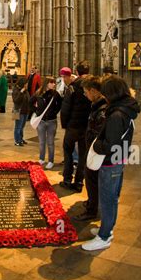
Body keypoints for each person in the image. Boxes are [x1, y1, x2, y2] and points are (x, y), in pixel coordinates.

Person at [81, 76, 139, 251]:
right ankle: (107, 229)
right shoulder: (125, 109)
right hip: (118, 159)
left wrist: (96, 143)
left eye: (106, 93)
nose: (104, 97)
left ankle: (104, 237)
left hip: (110, 162)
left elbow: (110, 145)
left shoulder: (116, 114)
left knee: (107, 199)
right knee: (111, 198)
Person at [75, 76, 108, 221]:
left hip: (96, 152)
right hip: (93, 150)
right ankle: (91, 203)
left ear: (94, 91)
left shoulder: (102, 109)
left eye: (86, 92)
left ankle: (91, 210)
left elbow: (99, 134)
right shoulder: (97, 105)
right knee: (90, 179)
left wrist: (92, 147)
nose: (85, 95)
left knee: (92, 180)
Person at [60, 60, 91, 192]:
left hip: (73, 126)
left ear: (77, 72)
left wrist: (65, 124)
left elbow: (65, 108)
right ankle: (79, 182)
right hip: (87, 126)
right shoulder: (94, 85)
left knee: (68, 152)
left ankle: (67, 179)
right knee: (83, 155)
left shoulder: (73, 86)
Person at [31, 76, 62, 169]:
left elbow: (60, 104)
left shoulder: (55, 94)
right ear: (46, 83)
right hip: (41, 121)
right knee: (41, 141)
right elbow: (30, 102)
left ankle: (51, 160)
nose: (54, 84)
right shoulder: (38, 93)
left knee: (50, 142)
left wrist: (54, 112)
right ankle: (41, 158)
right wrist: (36, 111)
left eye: (54, 83)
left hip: (52, 121)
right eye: (51, 82)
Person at [12, 76, 30, 146]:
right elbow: (16, 100)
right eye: (26, 84)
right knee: (18, 127)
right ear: (23, 84)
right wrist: (21, 92)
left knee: (22, 126)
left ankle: (21, 139)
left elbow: (28, 99)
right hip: (17, 111)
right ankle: (17, 141)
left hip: (25, 111)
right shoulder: (16, 90)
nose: (27, 85)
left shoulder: (26, 90)